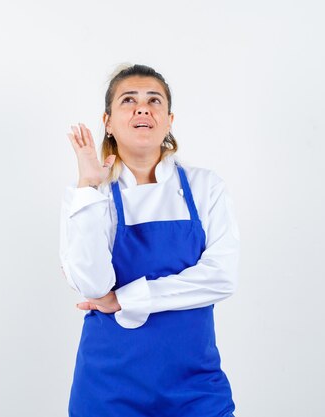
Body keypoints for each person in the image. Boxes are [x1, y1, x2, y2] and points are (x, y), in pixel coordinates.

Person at [59, 64, 239, 417]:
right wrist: (89, 189)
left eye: (154, 100)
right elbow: (93, 286)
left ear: (169, 119)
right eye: (129, 100)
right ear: (108, 121)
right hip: (108, 387)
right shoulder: (89, 196)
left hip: (196, 387)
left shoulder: (205, 187)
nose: (143, 108)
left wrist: (127, 298)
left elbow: (221, 277)